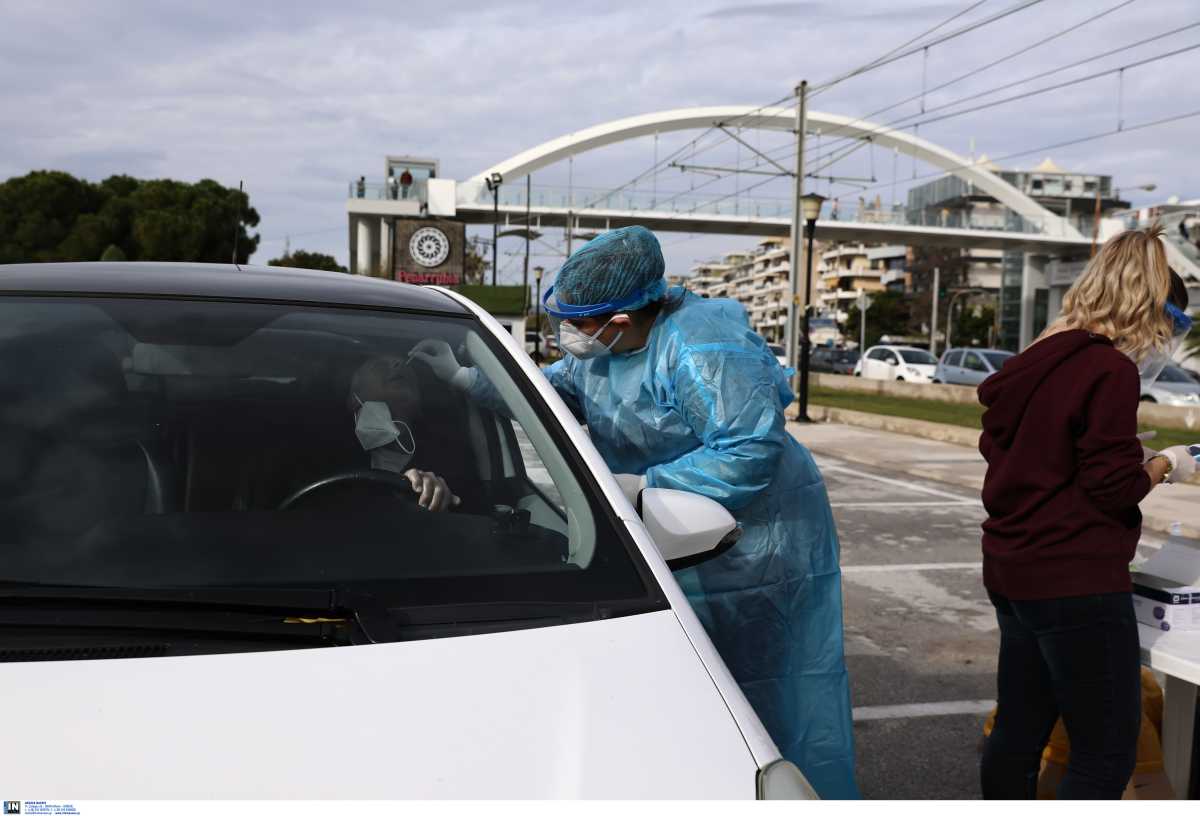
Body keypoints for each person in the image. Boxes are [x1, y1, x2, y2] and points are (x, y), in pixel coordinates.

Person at [409, 225, 859, 799]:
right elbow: (553, 398)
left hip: (764, 540)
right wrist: (470, 379)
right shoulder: (604, 349)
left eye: (578, 323)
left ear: (620, 321)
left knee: (775, 689)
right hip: (663, 522)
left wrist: (644, 487)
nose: (568, 335)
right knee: (693, 690)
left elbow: (749, 447)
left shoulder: (701, 348)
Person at [977, 225, 1195, 799]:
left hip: (1012, 569)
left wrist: (1123, 453)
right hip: (1074, 580)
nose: (1166, 340)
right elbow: (1112, 489)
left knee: (1020, 730)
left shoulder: (1037, 359)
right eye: (1174, 324)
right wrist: (1166, 464)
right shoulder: (1110, 370)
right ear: (1150, 306)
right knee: (1105, 750)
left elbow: (1021, 451)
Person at [348, 355, 460, 512]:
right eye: (379, 364)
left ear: (419, 405)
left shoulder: (452, 457)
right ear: (354, 398)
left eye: (404, 364)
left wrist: (436, 496)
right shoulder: (332, 456)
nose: (398, 362)